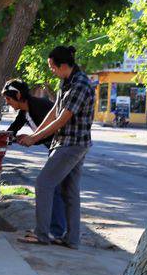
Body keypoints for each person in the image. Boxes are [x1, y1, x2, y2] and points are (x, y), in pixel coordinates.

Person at [16, 46, 94, 249]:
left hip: (72, 144)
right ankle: (72, 239)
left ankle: (42, 234)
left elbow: (62, 119)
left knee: (43, 183)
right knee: (70, 191)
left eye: (52, 66)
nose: (51, 70)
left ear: (63, 65)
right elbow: (53, 113)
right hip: (67, 142)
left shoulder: (80, 84)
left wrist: (34, 139)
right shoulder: (65, 82)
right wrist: (33, 136)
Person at [2, 79, 67, 242]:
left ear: (18, 95)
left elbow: (50, 131)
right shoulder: (24, 112)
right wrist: (2, 139)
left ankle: (54, 231)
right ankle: (57, 231)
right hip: (55, 149)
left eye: (8, 99)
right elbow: (13, 129)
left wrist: (32, 139)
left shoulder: (40, 105)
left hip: (63, 148)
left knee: (53, 188)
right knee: (58, 189)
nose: (7, 102)